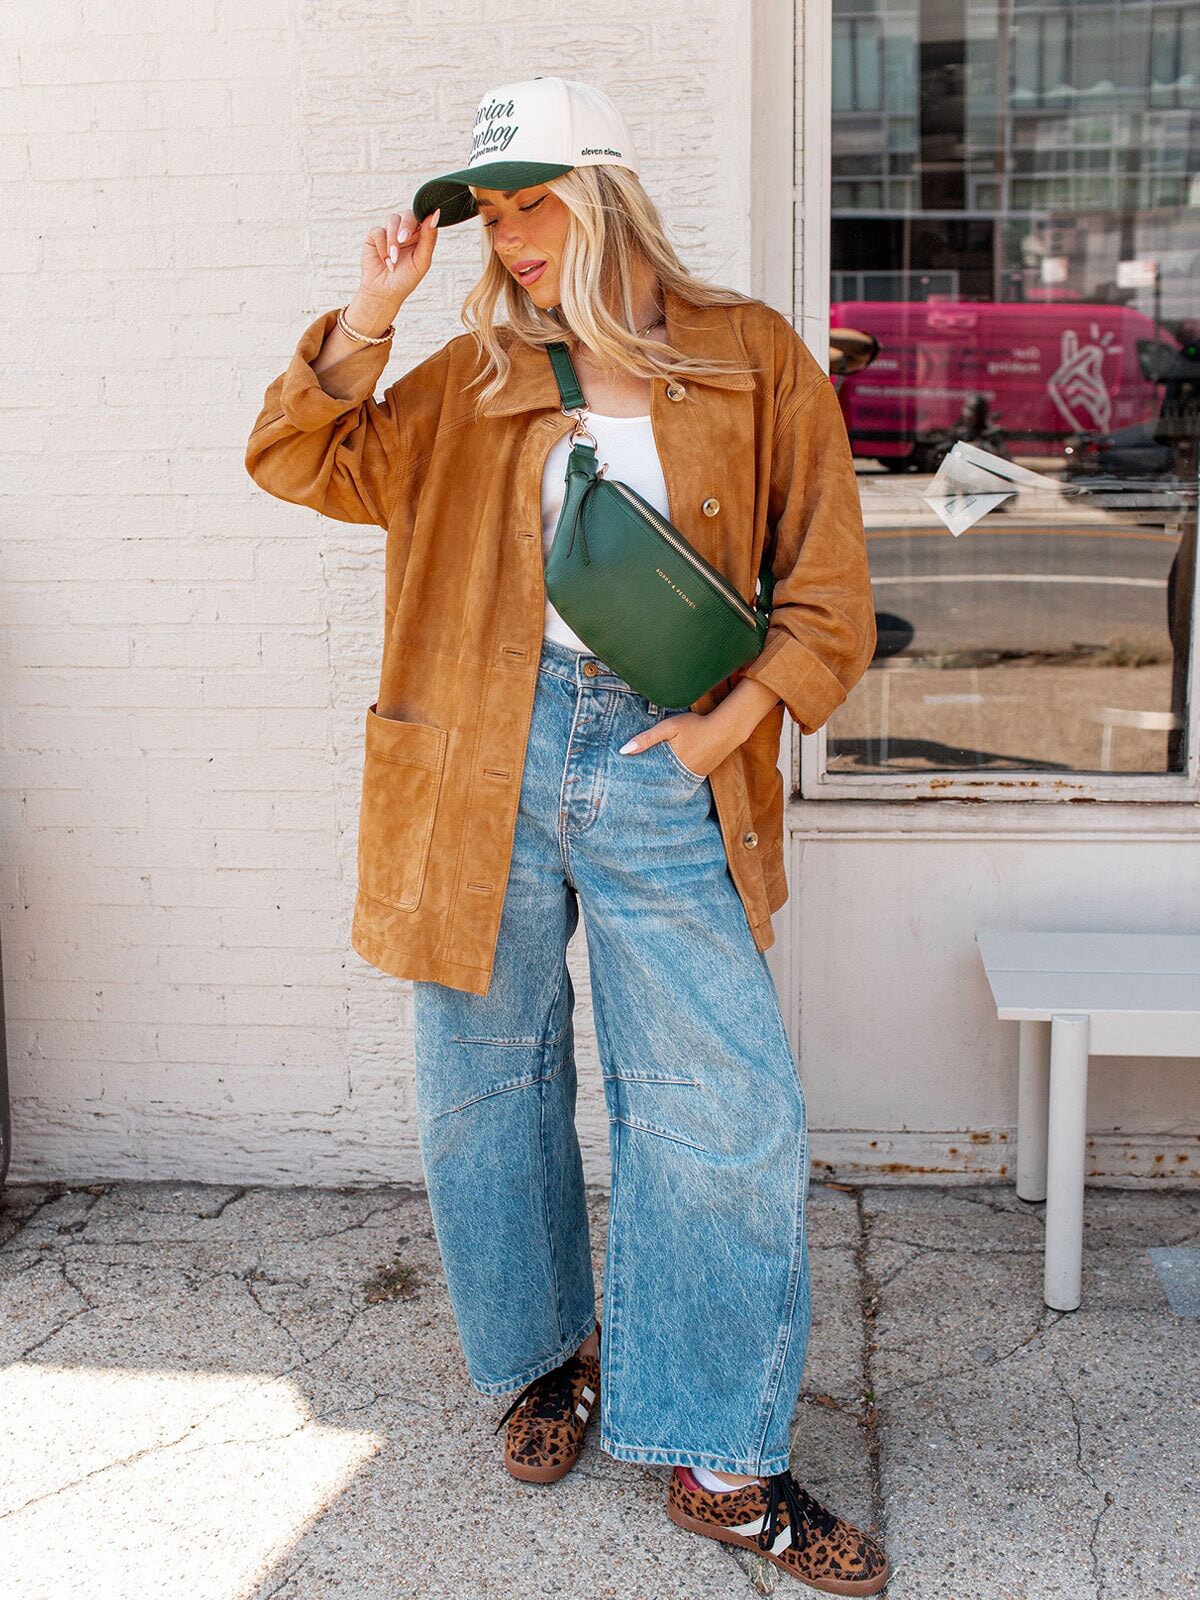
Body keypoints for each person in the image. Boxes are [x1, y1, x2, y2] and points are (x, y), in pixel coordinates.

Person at [247, 76, 884, 1594]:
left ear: (609, 193)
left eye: (535, 200)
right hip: (481, 757)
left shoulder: (750, 356)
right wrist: (370, 314)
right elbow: (301, 461)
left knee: (722, 1105)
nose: (512, 236)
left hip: (668, 758)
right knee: (489, 1082)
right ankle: (549, 1358)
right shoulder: (471, 374)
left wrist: (731, 725)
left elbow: (829, 592)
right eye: (491, 212)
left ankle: (720, 1456)